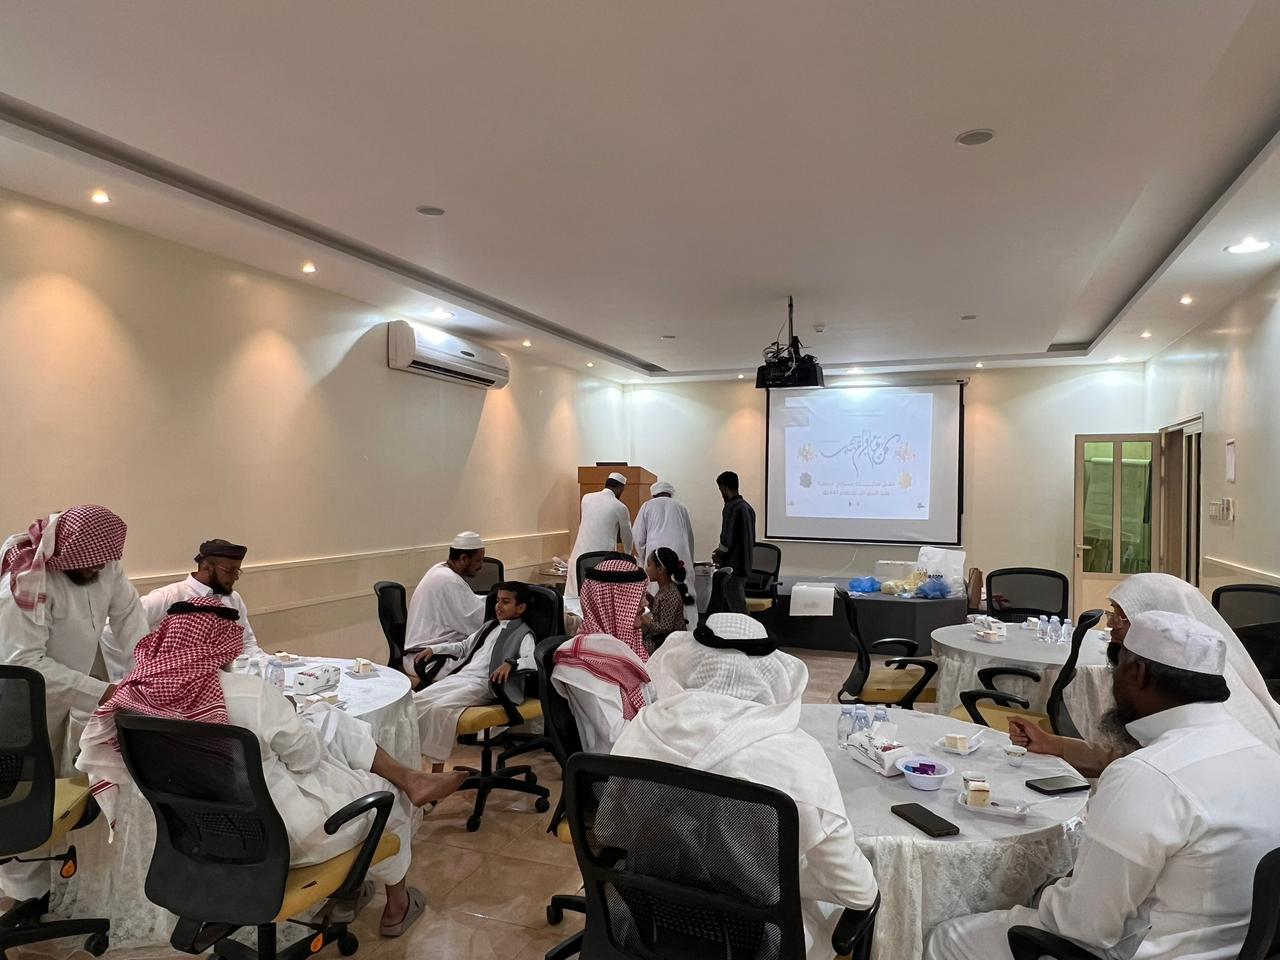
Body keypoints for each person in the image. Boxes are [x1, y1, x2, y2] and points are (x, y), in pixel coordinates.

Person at [77, 597, 465, 937]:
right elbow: (306, 759)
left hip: (196, 837)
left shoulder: (132, 699)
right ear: (224, 646)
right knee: (386, 794)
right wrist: (288, 718)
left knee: (324, 725)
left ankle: (348, 893)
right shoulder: (249, 694)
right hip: (284, 839)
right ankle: (397, 906)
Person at [926, 609, 1280, 960]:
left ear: (1136, 673)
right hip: (1234, 949)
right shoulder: (1263, 754)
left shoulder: (1149, 775)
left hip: (1141, 950)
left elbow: (1084, 925)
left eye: (1117, 666)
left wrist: (1034, 894)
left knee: (946, 936)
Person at [612, 613, 879, 960]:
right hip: (758, 944)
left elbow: (610, 831)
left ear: (692, 660)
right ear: (768, 671)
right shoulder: (795, 760)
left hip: (649, 924)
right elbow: (857, 891)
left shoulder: (642, 729)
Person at [0, 505, 152, 915]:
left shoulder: (105, 564)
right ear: (65, 554)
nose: (97, 570)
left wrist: (150, 671)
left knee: (65, 787)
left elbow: (129, 619)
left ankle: (63, 883)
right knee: (22, 792)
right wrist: (105, 692)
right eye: (89, 564)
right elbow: (24, 663)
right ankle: (27, 896)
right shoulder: (26, 580)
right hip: (20, 703)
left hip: (73, 690)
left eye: (103, 563)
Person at [1009, 572, 1280, 776]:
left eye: (1123, 617)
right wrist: (1054, 745)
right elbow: (1138, 755)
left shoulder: (1183, 695)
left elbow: (1154, 769)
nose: (1111, 625)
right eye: (1112, 613)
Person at [413, 581, 538, 766]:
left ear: (520, 607)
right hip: (463, 676)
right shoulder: (489, 626)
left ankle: (436, 767)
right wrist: (435, 649)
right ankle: (411, 757)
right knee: (416, 701)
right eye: (497, 601)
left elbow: (532, 660)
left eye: (505, 602)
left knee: (440, 708)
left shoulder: (523, 634)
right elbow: (464, 647)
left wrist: (511, 663)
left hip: (486, 684)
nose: (498, 606)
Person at [552, 558, 656, 751]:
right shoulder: (584, 662)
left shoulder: (625, 649)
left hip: (645, 744)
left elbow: (653, 700)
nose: (644, 603)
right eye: (637, 596)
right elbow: (616, 736)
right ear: (609, 603)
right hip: (618, 761)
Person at [105, 538, 263, 658]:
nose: (236, 577)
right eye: (230, 571)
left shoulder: (233, 599)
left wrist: (266, 662)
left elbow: (247, 643)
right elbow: (110, 631)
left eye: (238, 571)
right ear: (207, 567)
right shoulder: (168, 597)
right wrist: (149, 660)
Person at [403, 531, 488, 677]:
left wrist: (494, 599)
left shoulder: (440, 570)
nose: (481, 566)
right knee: (488, 669)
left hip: (427, 654)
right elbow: (478, 622)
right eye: (478, 561)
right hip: (428, 659)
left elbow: (470, 603)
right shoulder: (450, 582)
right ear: (463, 558)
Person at [566, 472, 634, 598]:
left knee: (576, 599)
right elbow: (627, 537)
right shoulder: (620, 507)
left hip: (579, 558)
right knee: (598, 601)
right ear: (621, 488)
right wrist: (628, 556)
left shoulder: (586, 498)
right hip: (601, 560)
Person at [631, 481, 696, 601]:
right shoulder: (681, 507)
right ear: (670, 494)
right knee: (682, 585)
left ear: (653, 495)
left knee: (655, 588)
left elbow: (637, 536)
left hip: (655, 553)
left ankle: (658, 610)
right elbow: (689, 537)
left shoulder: (647, 505)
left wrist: (643, 558)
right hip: (680, 552)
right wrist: (689, 560)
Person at [712, 470, 756, 614]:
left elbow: (726, 540)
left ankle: (747, 629)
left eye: (720, 490)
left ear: (724, 488)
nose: (721, 494)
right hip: (745, 565)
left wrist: (718, 553)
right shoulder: (748, 508)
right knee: (739, 604)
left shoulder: (731, 507)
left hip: (732, 567)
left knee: (737, 609)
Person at [641, 547, 691, 653]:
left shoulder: (669, 593)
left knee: (636, 647)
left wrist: (644, 619)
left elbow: (665, 628)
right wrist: (651, 600)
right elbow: (661, 610)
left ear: (660, 569)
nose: (646, 569)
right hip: (663, 639)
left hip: (669, 644)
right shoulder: (665, 589)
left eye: (649, 565)